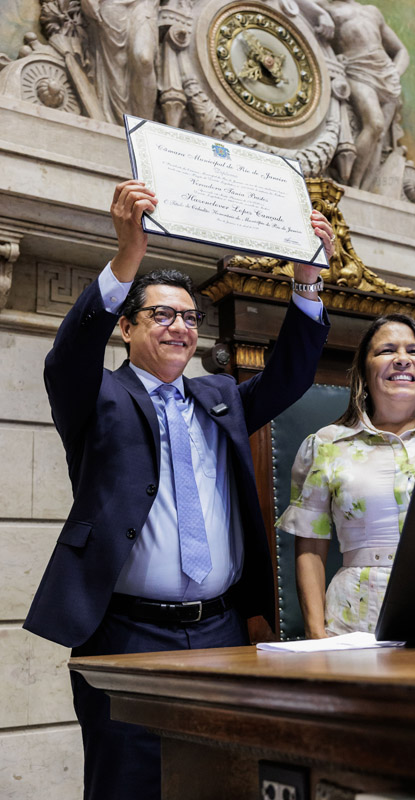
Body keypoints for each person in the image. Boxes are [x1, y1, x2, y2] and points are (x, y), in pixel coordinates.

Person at [23, 179, 333, 800]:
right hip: (124, 633)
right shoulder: (97, 396)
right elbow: (68, 356)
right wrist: (126, 255)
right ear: (126, 328)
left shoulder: (219, 399)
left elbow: (291, 375)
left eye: (189, 318)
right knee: (127, 784)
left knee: (217, 781)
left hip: (220, 630)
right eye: (161, 314)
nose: (179, 328)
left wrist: (305, 281)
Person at [277, 313, 415, 639]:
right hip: (354, 619)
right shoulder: (325, 445)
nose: (402, 360)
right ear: (364, 373)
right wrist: (316, 635)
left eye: (414, 351)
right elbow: (310, 547)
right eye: (386, 350)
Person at [317, 0, 409, 190]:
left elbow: (401, 51)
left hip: (386, 74)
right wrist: (320, 16)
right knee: (375, 124)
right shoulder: (324, 6)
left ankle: (361, 189)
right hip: (356, 68)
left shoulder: (371, 11)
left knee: (379, 137)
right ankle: (349, 185)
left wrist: (396, 73)